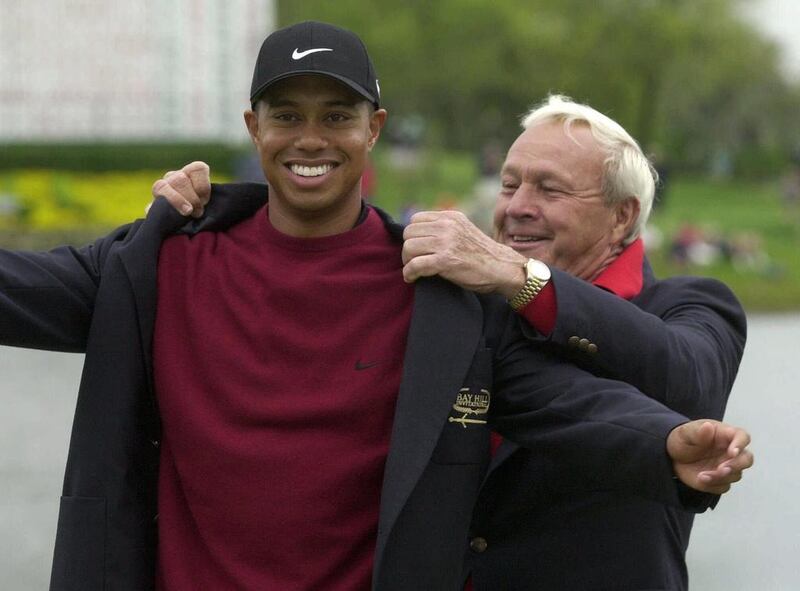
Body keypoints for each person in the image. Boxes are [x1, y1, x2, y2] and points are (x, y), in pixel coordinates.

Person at [0, 23, 752, 591]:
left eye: (337, 114)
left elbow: (561, 401)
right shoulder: (164, 259)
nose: (311, 137)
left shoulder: (435, 288)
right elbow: (20, 291)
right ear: (252, 128)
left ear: (374, 130)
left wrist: (665, 447)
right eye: (286, 115)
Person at [163, 95, 749, 590]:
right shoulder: (460, 307)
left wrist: (522, 279)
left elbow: (687, 380)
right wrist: (202, 213)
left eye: (549, 190)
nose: (517, 207)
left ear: (622, 218)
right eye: (510, 184)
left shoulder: (692, 305)